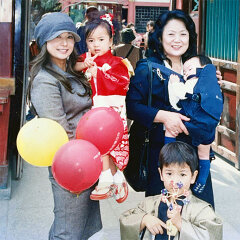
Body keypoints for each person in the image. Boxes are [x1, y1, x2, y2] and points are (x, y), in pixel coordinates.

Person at [126, 10, 222, 207]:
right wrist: (164, 117)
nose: (177, 40)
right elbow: (132, 107)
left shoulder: (198, 67)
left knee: (199, 214)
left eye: (183, 34)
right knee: (164, 216)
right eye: (171, 34)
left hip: (195, 154)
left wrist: (211, 86)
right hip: (162, 157)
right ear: (159, 37)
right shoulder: (148, 68)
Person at [27, 12, 102, 239]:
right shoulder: (45, 80)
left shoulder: (71, 70)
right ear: (43, 42)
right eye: (56, 37)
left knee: (77, 226)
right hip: (71, 163)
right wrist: (76, 171)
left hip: (86, 158)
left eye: (69, 37)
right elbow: (60, 133)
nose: (64, 43)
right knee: (68, 230)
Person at [75, 12, 130, 203]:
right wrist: (84, 64)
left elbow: (122, 83)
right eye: (91, 40)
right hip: (95, 109)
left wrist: (98, 72)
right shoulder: (86, 58)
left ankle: (107, 179)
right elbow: (74, 67)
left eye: (101, 39)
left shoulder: (118, 63)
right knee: (102, 146)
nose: (96, 44)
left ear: (111, 41)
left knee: (106, 146)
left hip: (111, 109)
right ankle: (116, 180)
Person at [120, 142, 223, 240]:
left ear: (193, 176)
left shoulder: (201, 210)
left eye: (182, 174)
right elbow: (126, 220)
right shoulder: (149, 203)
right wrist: (144, 219)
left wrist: (180, 224)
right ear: (161, 174)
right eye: (169, 174)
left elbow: (212, 235)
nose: (175, 181)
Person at [165, 55, 223, 193]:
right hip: (208, 129)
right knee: (204, 155)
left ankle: (166, 157)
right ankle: (202, 180)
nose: (186, 73)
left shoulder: (194, 82)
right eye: (184, 71)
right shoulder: (214, 87)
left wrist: (174, 83)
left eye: (189, 69)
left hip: (193, 123)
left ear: (203, 70)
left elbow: (181, 95)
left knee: (170, 130)